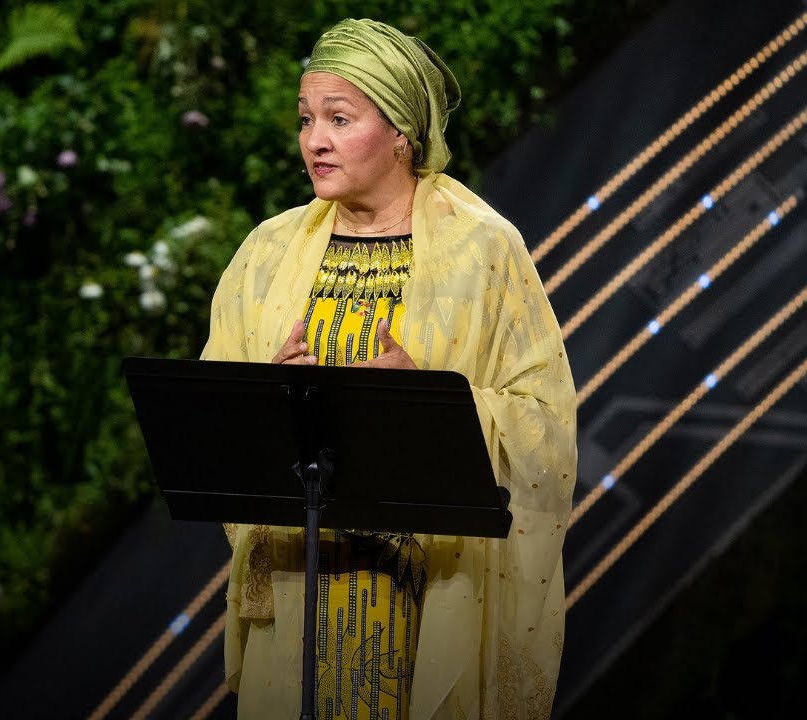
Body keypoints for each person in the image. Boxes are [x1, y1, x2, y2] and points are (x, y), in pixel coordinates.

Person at [200, 18, 576, 720]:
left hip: (424, 597)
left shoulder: (484, 251)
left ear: (402, 134)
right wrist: (264, 401)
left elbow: (546, 429)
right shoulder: (266, 254)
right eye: (307, 118)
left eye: (340, 119)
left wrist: (434, 405)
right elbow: (209, 433)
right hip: (301, 589)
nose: (315, 140)